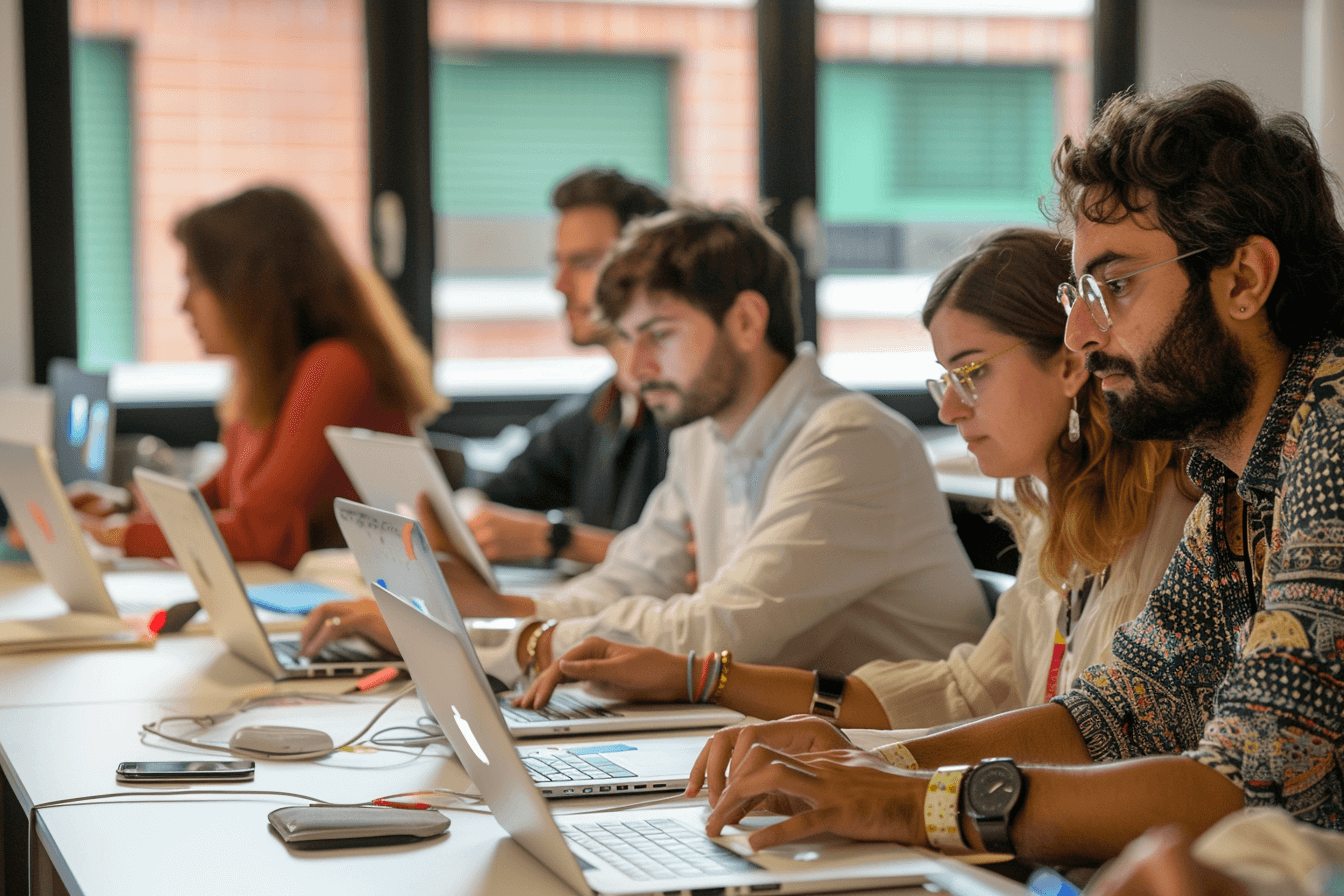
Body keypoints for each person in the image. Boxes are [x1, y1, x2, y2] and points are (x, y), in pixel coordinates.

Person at [683, 80, 1344, 866]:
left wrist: (905, 802)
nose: (1080, 331)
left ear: (1243, 280)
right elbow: (1110, 715)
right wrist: (870, 766)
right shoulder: (1235, 484)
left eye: (1116, 285)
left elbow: (1247, 786)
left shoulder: (1331, 439)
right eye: (1079, 292)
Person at [513, 227, 1197, 729]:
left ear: (1072, 362)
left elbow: (1089, 737)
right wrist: (704, 675)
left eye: (973, 372)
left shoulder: (1174, 523)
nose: (951, 408)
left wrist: (892, 782)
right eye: (945, 380)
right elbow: (968, 692)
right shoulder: (1057, 518)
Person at [303, 206, 988, 680]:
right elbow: (635, 579)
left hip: (896, 759)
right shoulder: (704, 434)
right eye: (626, 341)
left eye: (658, 335)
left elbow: (714, 634)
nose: (633, 370)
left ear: (747, 321)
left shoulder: (847, 443)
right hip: (786, 739)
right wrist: (492, 615)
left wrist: (482, 639)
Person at [80, 185, 444, 570]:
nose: (183, 305)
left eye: (197, 283)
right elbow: (223, 494)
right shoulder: (263, 376)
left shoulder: (334, 367)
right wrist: (120, 506)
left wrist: (123, 535)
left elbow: (262, 534)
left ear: (249, 288)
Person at [461, 168, 670, 566]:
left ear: (646, 270)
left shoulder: (687, 412)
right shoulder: (599, 407)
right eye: (559, 263)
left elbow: (684, 568)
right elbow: (501, 490)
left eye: (585, 263)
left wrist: (556, 539)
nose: (560, 285)